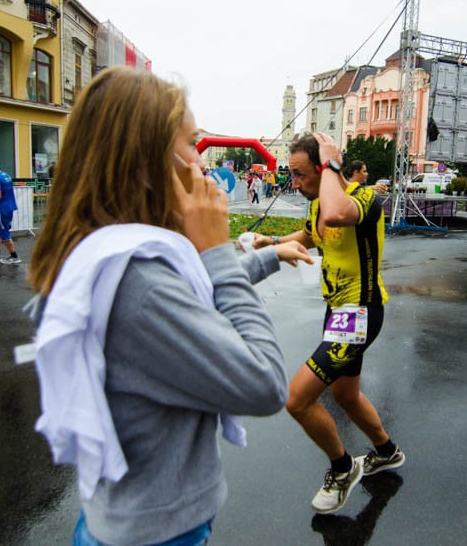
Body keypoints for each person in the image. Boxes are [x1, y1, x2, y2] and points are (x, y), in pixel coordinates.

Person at [28, 66, 309, 546]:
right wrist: (219, 251)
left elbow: (185, 295)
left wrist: (265, 257)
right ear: (143, 162)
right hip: (159, 535)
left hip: (124, 518)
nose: (201, 164)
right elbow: (262, 384)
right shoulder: (138, 285)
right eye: (190, 144)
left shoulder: (107, 252)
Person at [252, 132, 404, 515]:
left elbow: (338, 216)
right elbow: (313, 234)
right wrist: (269, 242)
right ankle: (386, 452)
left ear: (324, 167)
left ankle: (342, 467)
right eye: (293, 174)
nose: (296, 183)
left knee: (298, 399)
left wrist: (334, 163)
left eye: (301, 174)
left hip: (359, 312)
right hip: (336, 311)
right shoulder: (320, 201)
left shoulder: (364, 198)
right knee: (344, 396)